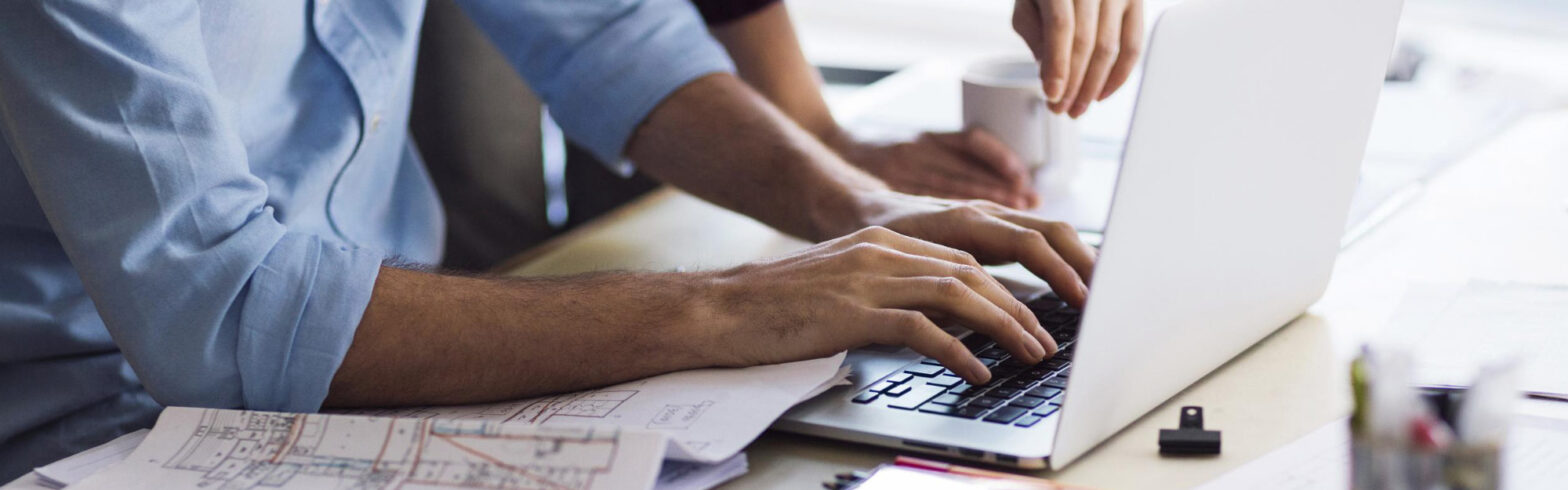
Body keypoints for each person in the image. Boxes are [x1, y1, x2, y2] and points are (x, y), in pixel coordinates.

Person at [0, 0, 1139, 479]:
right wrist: (738, 302)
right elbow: (225, 312)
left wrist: (856, 211)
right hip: (106, 434)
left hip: (389, 396)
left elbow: (604, 34)